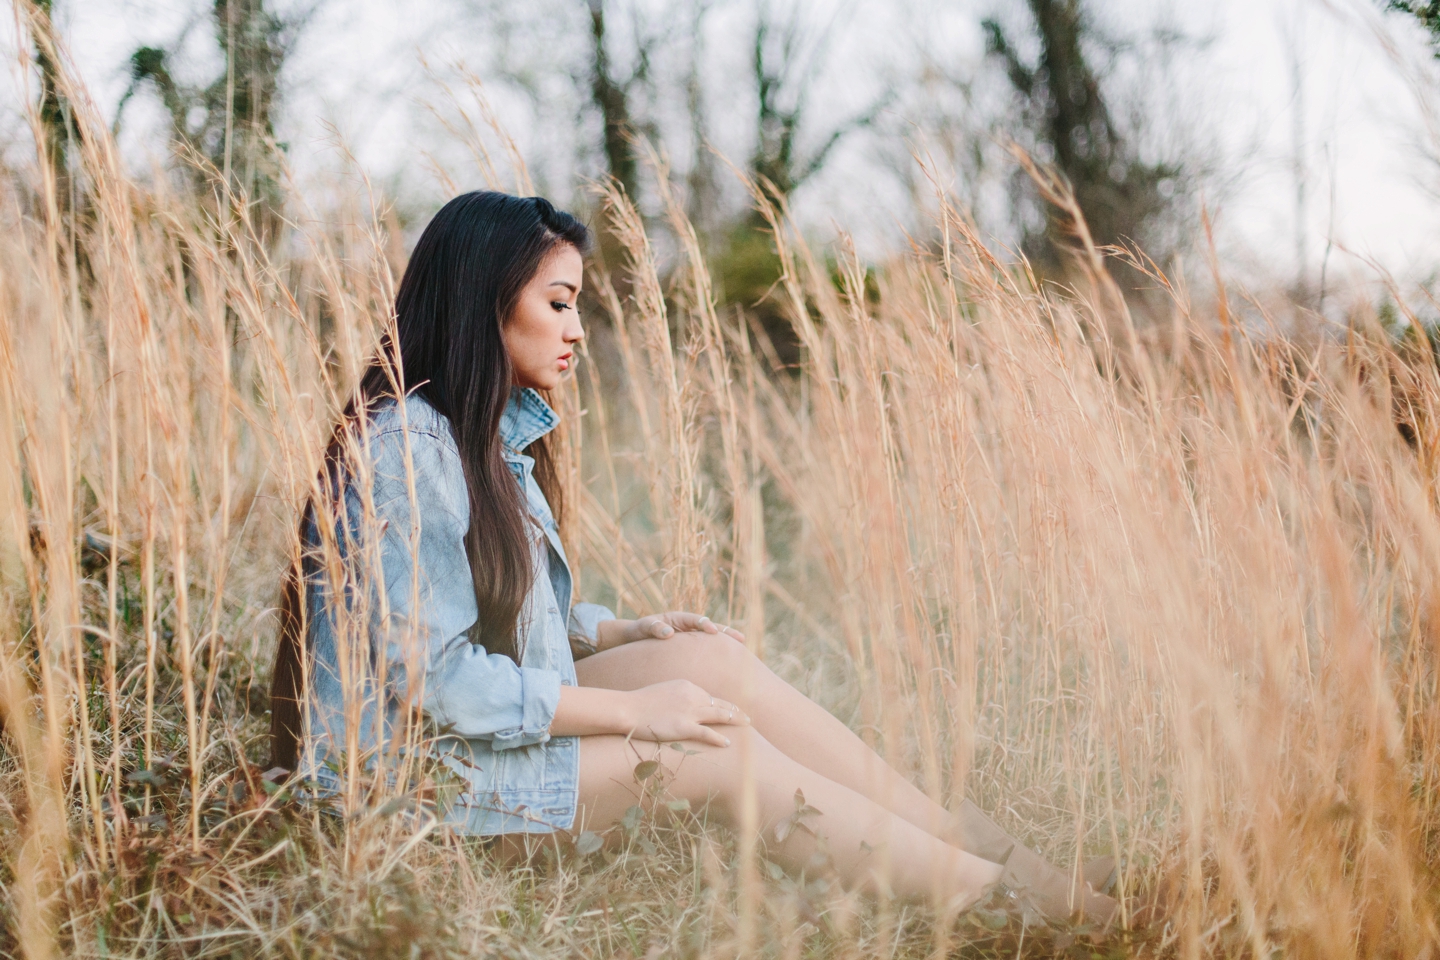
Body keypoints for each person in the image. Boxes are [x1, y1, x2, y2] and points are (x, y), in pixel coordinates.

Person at [267, 190, 1117, 922]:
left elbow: (485, 614)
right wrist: (636, 714)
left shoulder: (482, 438)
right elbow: (437, 682)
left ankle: (996, 855)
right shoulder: (404, 452)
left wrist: (615, 631)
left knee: (703, 658)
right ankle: (1015, 908)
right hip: (408, 789)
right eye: (558, 303)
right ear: (485, 301)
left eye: (578, 307)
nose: (576, 331)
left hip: (462, 742)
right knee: (712, 755)